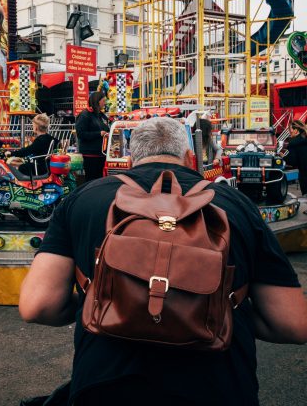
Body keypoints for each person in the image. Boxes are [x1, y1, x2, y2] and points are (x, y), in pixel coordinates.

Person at [19, 117, 307, 406]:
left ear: (132, 158)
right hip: (219, 387)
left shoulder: (83, 199)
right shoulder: (237, 205)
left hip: (105, 386)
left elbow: (38, 305)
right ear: (189, 157)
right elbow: (292, 324)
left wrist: (107, 300)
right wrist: (209, 307)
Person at [75, 92, 110, 181]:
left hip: (102, 154)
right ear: (97, 101)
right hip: (90, 154)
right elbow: (81, 134)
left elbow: (107, 128)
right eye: (103, 101)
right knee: (91, 179)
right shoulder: (85, 115)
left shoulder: (101, 115)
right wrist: (98, 134)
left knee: (100, 179)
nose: (105, 103)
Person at [285, 119, 307, 197]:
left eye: (290, 129)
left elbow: (292, 162)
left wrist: (283, 157)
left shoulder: (293, 143)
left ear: (296, 130)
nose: (289, 132)